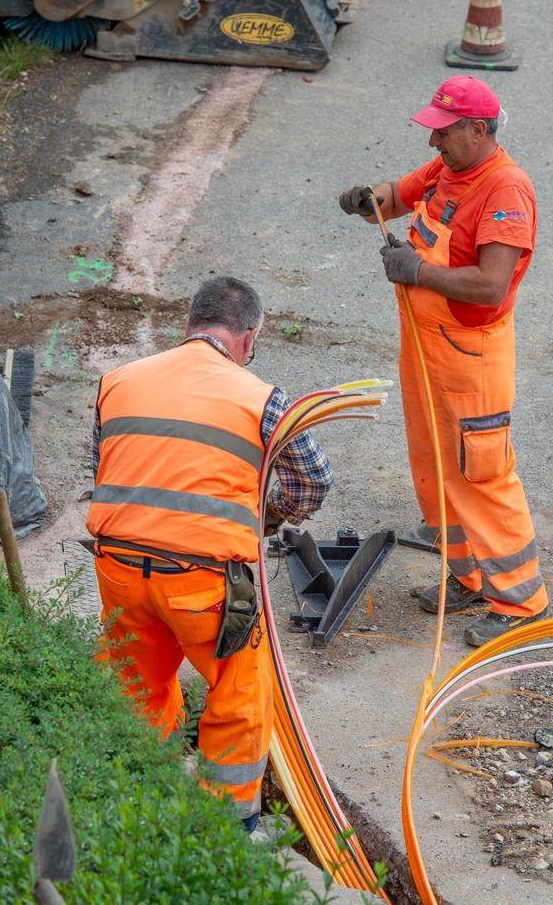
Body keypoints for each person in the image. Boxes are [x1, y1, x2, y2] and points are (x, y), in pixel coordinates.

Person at [85, 276, 333, 834]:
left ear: (188, 326)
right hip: (202, 586)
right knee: (240, 691)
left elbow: (103, 467)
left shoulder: (117, 381)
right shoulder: (263, 399)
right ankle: (229, 830)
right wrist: (267, 514)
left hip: (119, 570)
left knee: (134, 679)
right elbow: (313, 485)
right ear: (249, 337)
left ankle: (140, 796)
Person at [337, 75, 550, 646]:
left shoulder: (505, 191)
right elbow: (396, 195)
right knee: (436, 467)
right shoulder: (447, 170)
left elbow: (490, 285)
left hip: (469, 356)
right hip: (427, 346)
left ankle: (520, 600)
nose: (433, 144)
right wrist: (368, 201)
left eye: (444, 133)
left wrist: (419, 272)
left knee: (480, 472)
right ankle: (470, 575)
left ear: (477, 131)